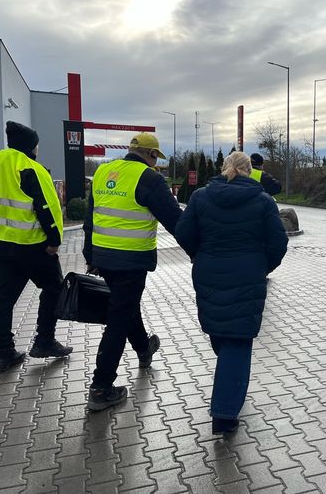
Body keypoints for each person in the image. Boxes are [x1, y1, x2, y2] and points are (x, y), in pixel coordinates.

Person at [175, 152, 287, 434]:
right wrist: (263, 265)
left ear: (224, 168)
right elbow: (278, 241)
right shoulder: (263, 201)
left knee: (222, 334)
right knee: (237, 342)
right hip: (248, 273)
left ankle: (227, 396)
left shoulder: (201, 197)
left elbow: (183, 233)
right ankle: (224, 414)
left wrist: (199, 255)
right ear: (249, 171)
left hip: (209, 271)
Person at [83, 132, 182, 411]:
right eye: (155, 158)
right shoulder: (149, 178)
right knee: (118, 316)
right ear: (151, 156)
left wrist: (90, 254)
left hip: (104, 257)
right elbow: (176, 220)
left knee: (125, 306)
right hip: (131, 261)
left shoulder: (103, 172)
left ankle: (144, 348)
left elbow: (90, 217)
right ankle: (101, 388)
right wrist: (202, 248)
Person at [0, 121, 73, 373]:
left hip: (0, 244)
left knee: (4, 297)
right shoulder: (29, 168)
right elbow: (44, 206)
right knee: (54, 287)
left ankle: (4, 353)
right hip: (32, 245)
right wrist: (54, 240)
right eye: (37, 145)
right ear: (30, 146)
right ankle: (44, 341)